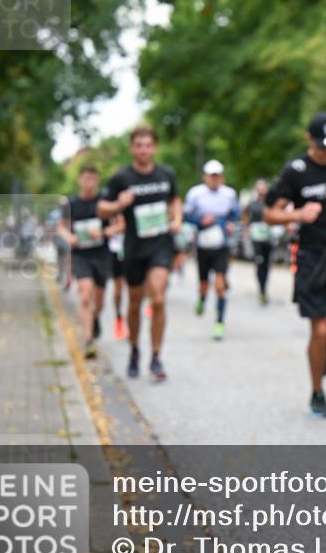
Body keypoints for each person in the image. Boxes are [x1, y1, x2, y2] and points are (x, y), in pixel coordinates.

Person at [264, 112, 326, 418]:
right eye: (322, 147)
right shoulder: (296, 170)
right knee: (318, 328)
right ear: (309, 140)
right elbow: (270, 214)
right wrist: (297, 214)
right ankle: (317, 393)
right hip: (311, 257)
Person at [98, 126, 182, 381]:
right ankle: (134, 350)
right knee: (134, 303)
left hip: (160, 246)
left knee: (158, 299)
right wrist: (118, 204)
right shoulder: (122, 178)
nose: (144, 150)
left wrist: (177, 218)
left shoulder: (166, 174)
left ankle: (156, 356)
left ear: (154, 147)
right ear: (132, 148)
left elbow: (175, 199)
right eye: (139, 145)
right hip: (134, 248)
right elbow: (101, 209)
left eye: (148, 145)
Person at [57, 165, 124, 359]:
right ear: (79, 180)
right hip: (81, 255)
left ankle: (95, 318)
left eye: (93, 179)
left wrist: (102, 233)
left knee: (99, 301)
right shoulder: (71, 203)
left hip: (102, 255)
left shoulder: (104, 203)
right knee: (85, 296)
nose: (89, 182)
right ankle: (88, 341)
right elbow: (61, 227)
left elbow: (121, 225)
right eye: (86, 178)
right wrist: (69, 237)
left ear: (97, 181)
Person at [184, 159, 240, 340]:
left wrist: (230, 223)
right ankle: (202, 299)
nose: (214, 179)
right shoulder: (195, 194)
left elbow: (235, 214)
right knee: (204, 284)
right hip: (203, 244)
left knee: (220, 285)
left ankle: (219, 322)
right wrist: (200, 221)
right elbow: (186, 215)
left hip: (221, 245)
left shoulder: (229, 194)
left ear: (222, 177)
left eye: (217, 176)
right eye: (211, 176)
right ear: (205, 177)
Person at [244, 178, 273, 305]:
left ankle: (264, 289)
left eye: (263, 187)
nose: (261, 189)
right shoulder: (252, 203)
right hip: (256, 236)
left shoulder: (271, 202)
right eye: (259, 187)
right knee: (259, 261)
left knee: (266, 264)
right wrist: (246, 230)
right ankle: (261, 290)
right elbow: (245, 216)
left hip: (269, 236)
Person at [107, 217, 129, 341]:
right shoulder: (110, 209)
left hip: (130, 249)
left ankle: (130, 323)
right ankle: (118, 317)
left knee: (132, 289)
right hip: (115, 251)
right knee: (118, 289)